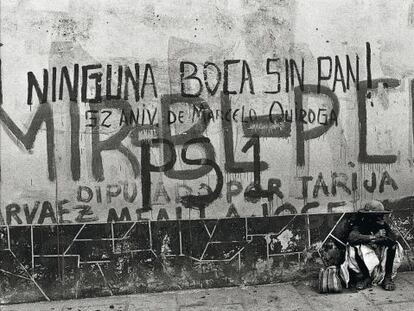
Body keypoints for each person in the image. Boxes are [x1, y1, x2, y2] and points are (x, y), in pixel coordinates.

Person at [340, 200, 403, 291]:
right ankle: (366, 278)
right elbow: (352, 238)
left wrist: (378, 240)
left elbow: (392, 238)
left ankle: (387, 278)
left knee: (393, 246)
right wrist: (373, 237)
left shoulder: (382, 224)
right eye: (378, 215)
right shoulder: (360, 223)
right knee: (354, 248)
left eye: (381, 215)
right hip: (367, 256)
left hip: (379, 255)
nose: (381, 218)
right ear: (369, 216)